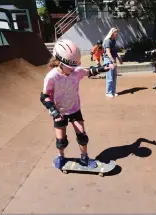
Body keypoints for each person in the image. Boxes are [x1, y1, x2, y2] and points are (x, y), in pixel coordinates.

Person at [40, 39, 111, 169]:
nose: (73, 70)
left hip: (74, 109)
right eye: (70, 67)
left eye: (75, 67)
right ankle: (60, 156)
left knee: (82, 136)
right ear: (60, 62)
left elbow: (89, 71)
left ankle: (85, 158)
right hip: (59, 112)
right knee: (61, 141)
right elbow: (44, 97)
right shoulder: (52, 76)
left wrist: (103, 68)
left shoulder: (76, 71)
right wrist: (55, 112)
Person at [103, 27, 123, 97]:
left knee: (114, 76)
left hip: (113, 59)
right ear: (111, 33)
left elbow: (115, 52)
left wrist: (119, 59)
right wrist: (113, 61)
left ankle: (113, 91)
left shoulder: (114, 41)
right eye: (115, 32)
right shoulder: (108, 41)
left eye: (117, 32)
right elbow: (108, 52)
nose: (117, 34)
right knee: (110, 77)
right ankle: (108, 92)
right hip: (108, 60)